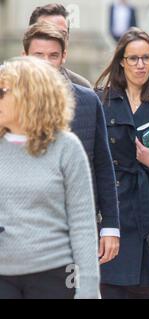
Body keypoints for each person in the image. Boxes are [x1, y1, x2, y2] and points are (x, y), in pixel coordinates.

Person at [0, 56, 100, 299]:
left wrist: (87, 289)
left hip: (54, 275)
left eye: (3, 91)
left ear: (29, 95)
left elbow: (82, 224)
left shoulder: (67, 147)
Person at [22, 22, 120, 266]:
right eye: (38, 56)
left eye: (53, 56)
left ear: (64, 57)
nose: (45, 63)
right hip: (20, 227)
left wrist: (110, 227)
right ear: (25, 57)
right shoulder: (6, 102)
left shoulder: (87, 101)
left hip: (75, 225)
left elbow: (103, 166)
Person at [95, 27, 149, 299]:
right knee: (109, 288)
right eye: (133, 58)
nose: (141, 65)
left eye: (147, 57)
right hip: (112, 211)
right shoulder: (101, 100)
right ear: (121, 60)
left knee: (143, 292)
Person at [29, 3, 91, 88]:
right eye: (46, 32)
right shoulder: (8, 84)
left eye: (62, 34)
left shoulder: (83, 89)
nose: (55, 37)